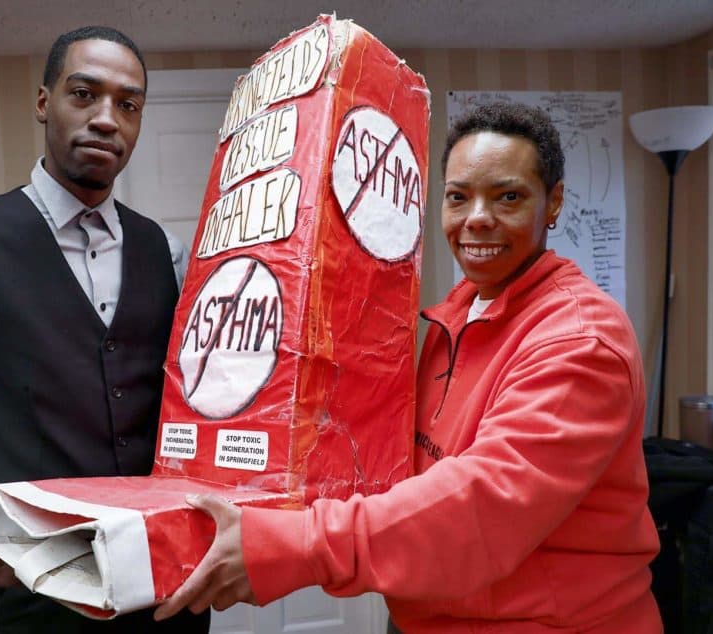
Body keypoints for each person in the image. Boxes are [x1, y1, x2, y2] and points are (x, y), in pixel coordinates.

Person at [153, 102, 662, 633]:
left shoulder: (581, 340)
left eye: (508, 197)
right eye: (458, 197)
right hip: (433, 613)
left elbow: (480, 508)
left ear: (552, 203)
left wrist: (292, 545)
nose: (477, 218)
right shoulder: (459, 312)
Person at [0, 25, 210, 633]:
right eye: (85, 94)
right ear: (44, 102)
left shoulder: (171, 254)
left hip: (166, 597)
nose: (107, 118)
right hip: (31, 605)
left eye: (128, 105)